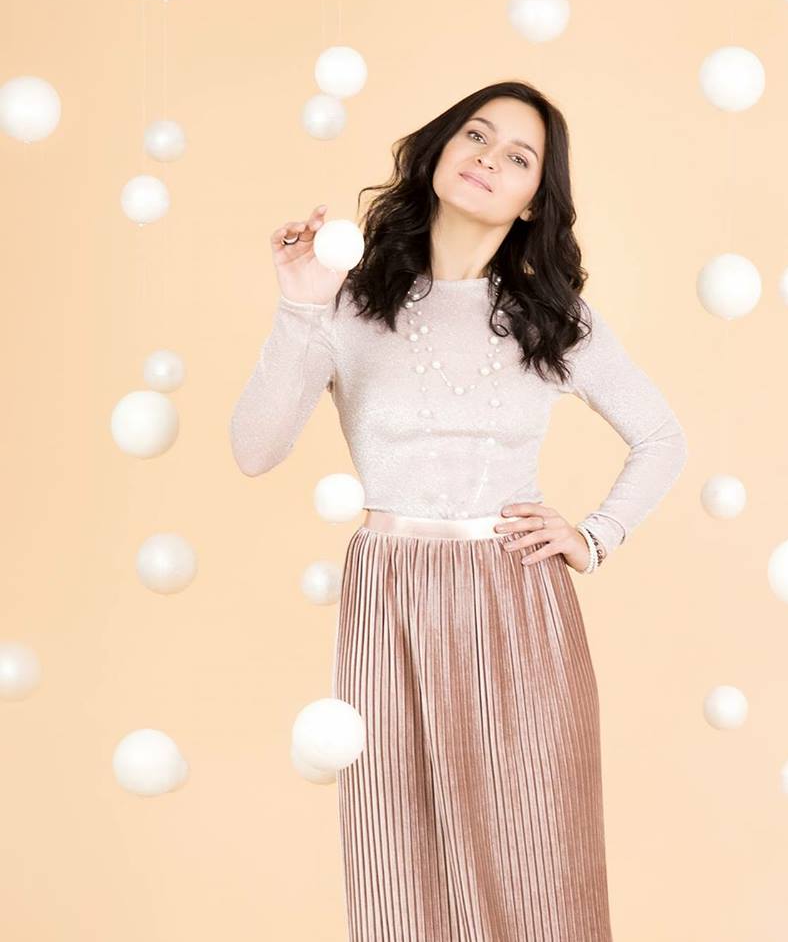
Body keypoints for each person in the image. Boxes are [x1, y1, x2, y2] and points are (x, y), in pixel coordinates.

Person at [229, 80, 688, 942]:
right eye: (476, 135)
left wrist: (593, 536)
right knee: (400, 863)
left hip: (518, 599)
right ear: (440, 150)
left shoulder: (553, 318)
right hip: (390, 598)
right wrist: (298, 303)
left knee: (539, 859)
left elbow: (662, 437)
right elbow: (255, 449)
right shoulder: (346, 302)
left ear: (532, 201)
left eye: (519, 157)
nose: (488, 158)